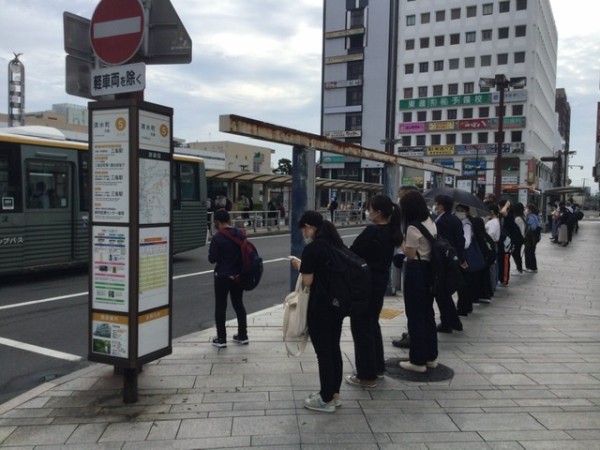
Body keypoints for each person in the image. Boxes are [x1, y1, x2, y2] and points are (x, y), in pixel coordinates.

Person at [290, 211, 345, 413]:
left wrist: (299, 266)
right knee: (334, 349)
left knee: (324, 353)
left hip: (320, 306)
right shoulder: (336, 244)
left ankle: (326, 399)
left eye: (303, 229)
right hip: (337, 305)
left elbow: (308, 281)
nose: (304, 233)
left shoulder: (313, 248)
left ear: (308, 227)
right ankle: (334, 394)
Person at [345, 195, 402, 388]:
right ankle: (376, 367)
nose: (367, 211)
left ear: (377, 212)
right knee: (371, 324)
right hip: (380, 281)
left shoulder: (372, 231)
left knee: (361, 327)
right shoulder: (391, 231)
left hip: (365, 284)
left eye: (369, 208)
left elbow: (353, 252)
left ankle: (366, 375)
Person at [398, 190, 438, 373]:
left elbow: (410, 254)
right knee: (427, 314)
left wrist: (401, 242)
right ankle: (430, 357)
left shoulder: (413, 227)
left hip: (416, 272)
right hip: (430, 270)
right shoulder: (430, 222)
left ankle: (417, 361)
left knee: (415, 316)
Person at [208, 210, 248, 348]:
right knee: (238, 304)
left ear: (217, 222)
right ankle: (242, 335)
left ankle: (221, 338)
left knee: (221, 306)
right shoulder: (240, 234)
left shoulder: (218, 237)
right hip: (238, 276)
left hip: (223, 277)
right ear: (229, 220)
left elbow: (211, 259)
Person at [431, 195, 465, 333]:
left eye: (437, 204)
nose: (435, 206)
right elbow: (460, 240)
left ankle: (447, 323)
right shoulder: (455, 219)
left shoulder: (442, 221)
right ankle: (454, 321)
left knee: (441, 293)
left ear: (442, 206)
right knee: (444, 293)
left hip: (444, 261)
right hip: (452, 258)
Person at [455, 204, 485, 317]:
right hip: (466, 256)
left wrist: (458, 246)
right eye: (457, 210)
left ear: (467, 212)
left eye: (461, 210)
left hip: (466, 257)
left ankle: (464, 307)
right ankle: (465, 306)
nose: (458, 212)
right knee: (465, 282)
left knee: (464, 283)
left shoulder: (466, 224)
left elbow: (466, 243)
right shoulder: (462, 223)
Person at [511, 202, 527, 274]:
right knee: (517, 253)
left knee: (516, 254)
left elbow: (515, 229)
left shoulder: (517, 219)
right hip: (521, 238)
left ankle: (519, 269)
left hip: (518, 239)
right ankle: (519, 268)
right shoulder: (522, 217)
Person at [524, 203, 540, 272]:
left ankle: (531, 267)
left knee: (529, 251)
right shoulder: (535, 216)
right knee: (531, 251)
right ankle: (532, 267)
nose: (526, 210)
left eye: (527, 208)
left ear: (530, 210)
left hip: (531, 237)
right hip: (535, 237)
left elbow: (532, 227)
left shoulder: (530, 217)